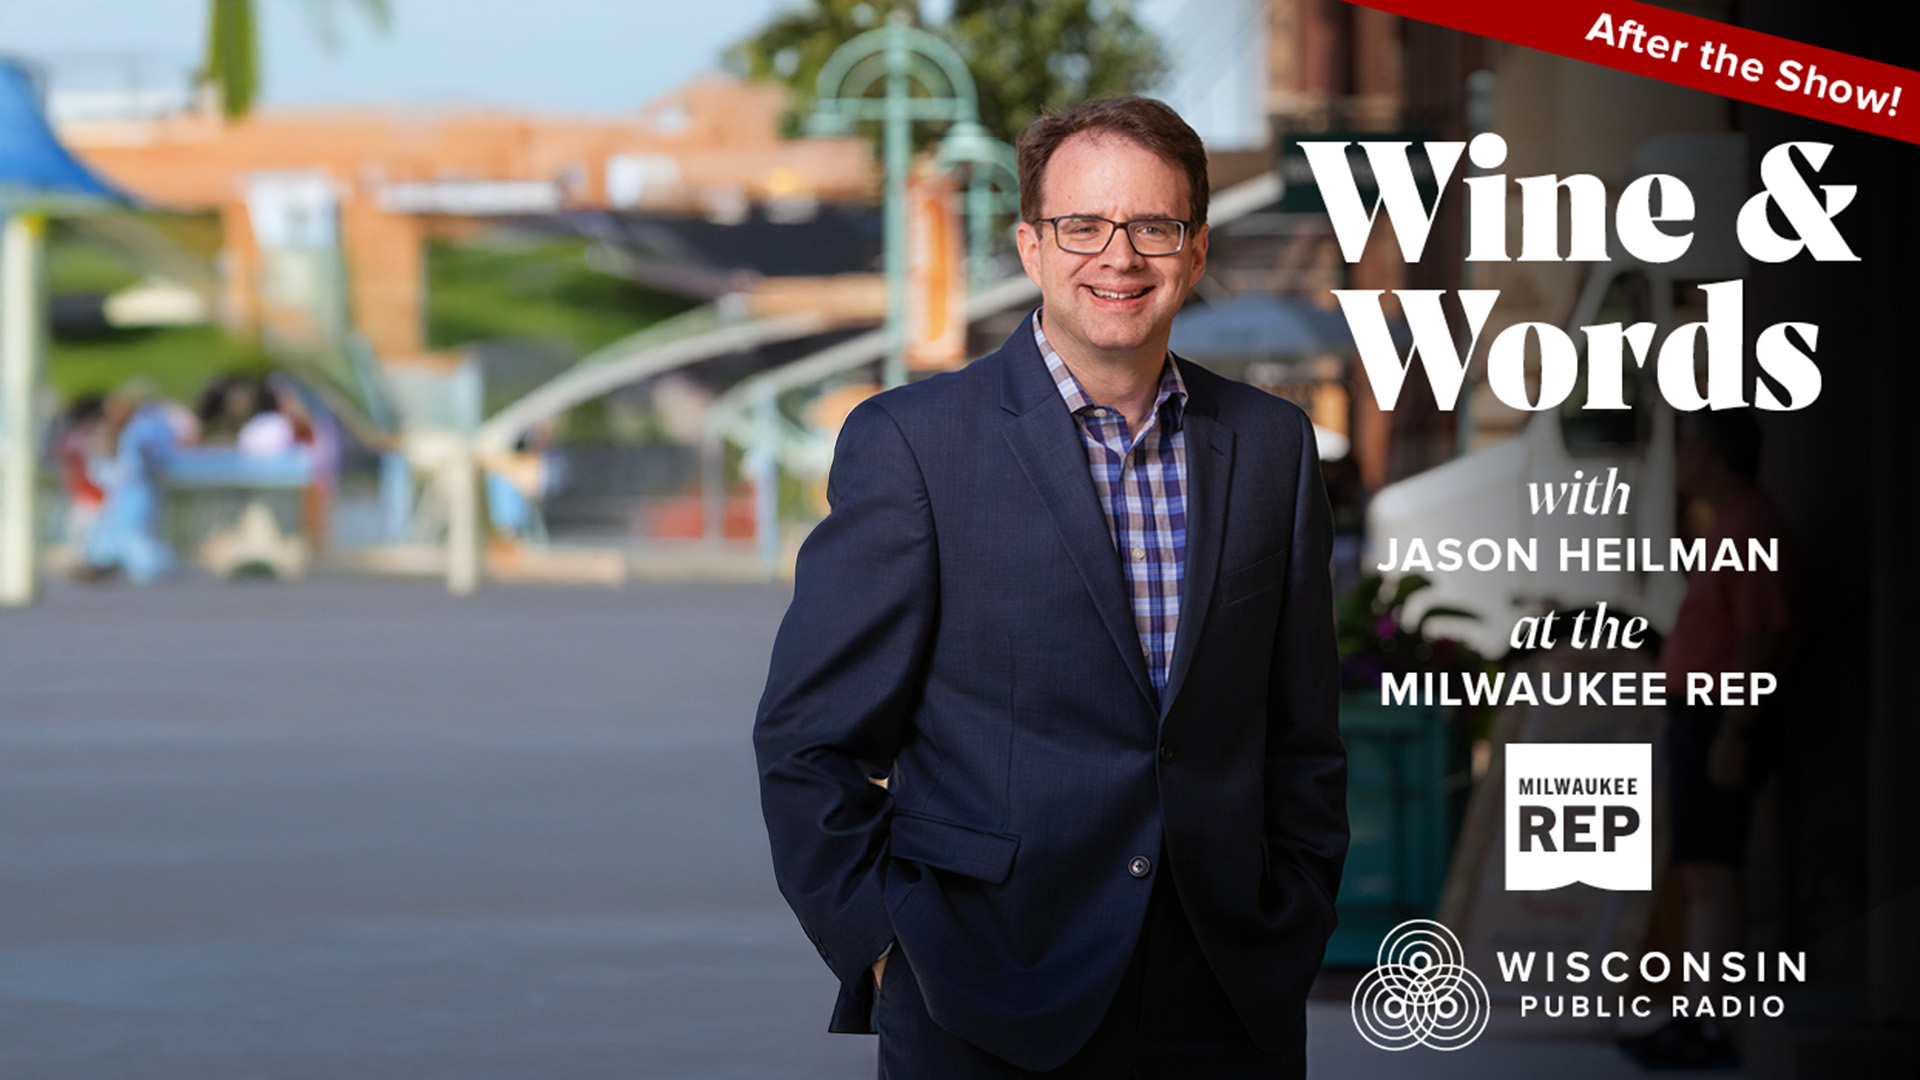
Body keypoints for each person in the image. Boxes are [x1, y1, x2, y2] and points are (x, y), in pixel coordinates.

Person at [754, 96, 1347, 1079]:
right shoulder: (914, 445)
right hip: (981, 992)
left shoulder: (1272, 446)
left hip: (1224, 999)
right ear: (1031, 246)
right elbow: (807, 742)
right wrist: (885, 948)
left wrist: (1291, 924)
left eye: (1154, 226)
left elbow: (1303, 740)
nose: (1119, 257)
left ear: (1196, 252)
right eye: (1083, 226)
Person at [1623, 410, 1802, 1070]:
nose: (1681, 460)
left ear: (1715, 454)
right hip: (1703, 714)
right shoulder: (1730, 524)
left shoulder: (1752, 525)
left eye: (1689, 446)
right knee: (1704, 872)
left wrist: (1734, 729)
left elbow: (1760, 637)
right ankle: (1701, 1013)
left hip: (1719, 715)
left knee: (1710, 874)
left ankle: (1707, 1021)